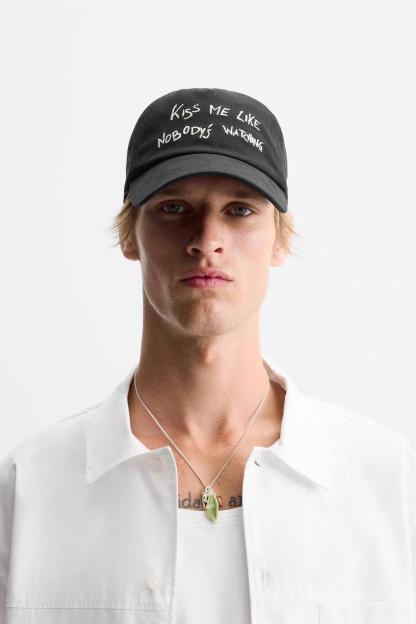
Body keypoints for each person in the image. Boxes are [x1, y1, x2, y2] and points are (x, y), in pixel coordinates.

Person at [1, 87, 416, 624]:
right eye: (174, 208)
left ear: (279, 239)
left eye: (240, 210)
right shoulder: (29, 488)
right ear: (130, 236)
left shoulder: (388, 483)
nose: (206, 239)